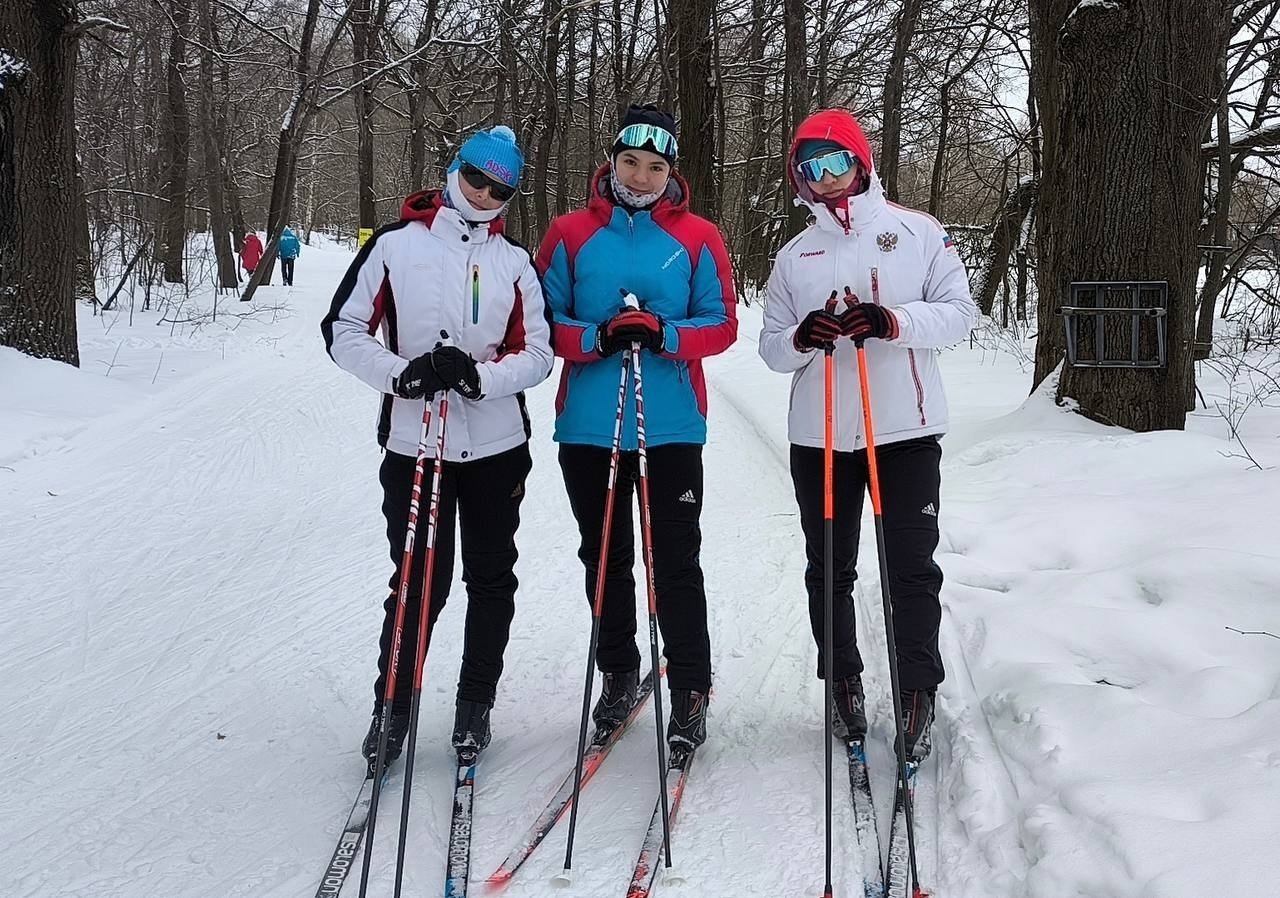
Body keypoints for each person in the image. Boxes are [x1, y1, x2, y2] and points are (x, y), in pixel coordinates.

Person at [322, 125, 553, 763]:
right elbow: (342, 330)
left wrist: (482, 377)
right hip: (415, 443)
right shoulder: (395, 246)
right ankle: (392, 707)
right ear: (454, 171)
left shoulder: (514, 262)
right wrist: (403, 374)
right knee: (420, 579)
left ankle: (475, 705)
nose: (483, 195)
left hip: (496, 445)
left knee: (491, 577)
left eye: (499, 190)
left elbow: (538, 353)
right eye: (475, 178)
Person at [757, 108, 976, 762]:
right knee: (830, 567)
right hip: (821, 434)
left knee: (911, 566)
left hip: (904, 428)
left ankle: (917, 687)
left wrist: (891, 321)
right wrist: (803, 337)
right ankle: (842, 679)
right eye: (810, 168)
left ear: (860, 161)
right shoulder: (795, 255)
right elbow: (771, 347)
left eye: (836, 162)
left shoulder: (917, 231)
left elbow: (959, 314)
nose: (825, 178)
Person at [536, 104, 738, 761]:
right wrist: (595, 336)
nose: (642, 177)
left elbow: (722, 323)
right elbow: (540, 322)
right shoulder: (570, 233)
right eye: (631, 162)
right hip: (590, 428)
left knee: (675, 560)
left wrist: (664, 333)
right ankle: (619, 671)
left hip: (670, 426)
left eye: (655, 167)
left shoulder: (699, 237)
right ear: (612, 161)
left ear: (671, 172)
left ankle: (692, 687)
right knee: (603, 558)